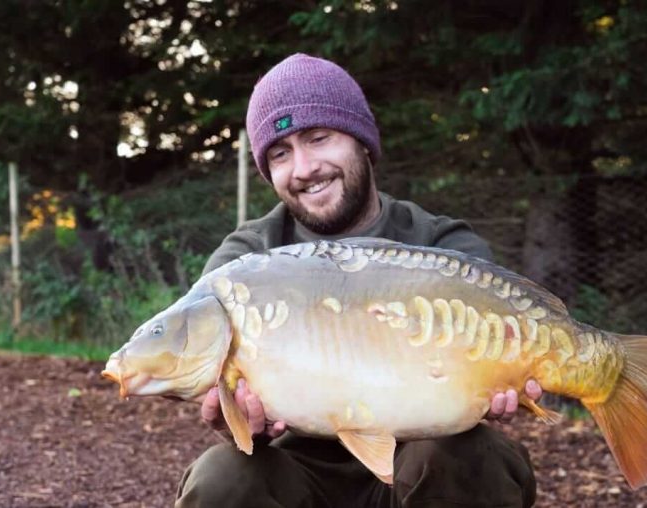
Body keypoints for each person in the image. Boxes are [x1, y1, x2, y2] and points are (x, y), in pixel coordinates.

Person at [175, 53, 541, 508]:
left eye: (318, 138)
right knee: (221, 477)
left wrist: (503, 384)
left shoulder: (441, 247)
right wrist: (237, 423)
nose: (305, 167)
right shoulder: (244, 264)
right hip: (299, 472)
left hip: (420, 464)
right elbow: (212, 384)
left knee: (465, 455)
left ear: (363, 141)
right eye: (280, 153)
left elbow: (504, 360)